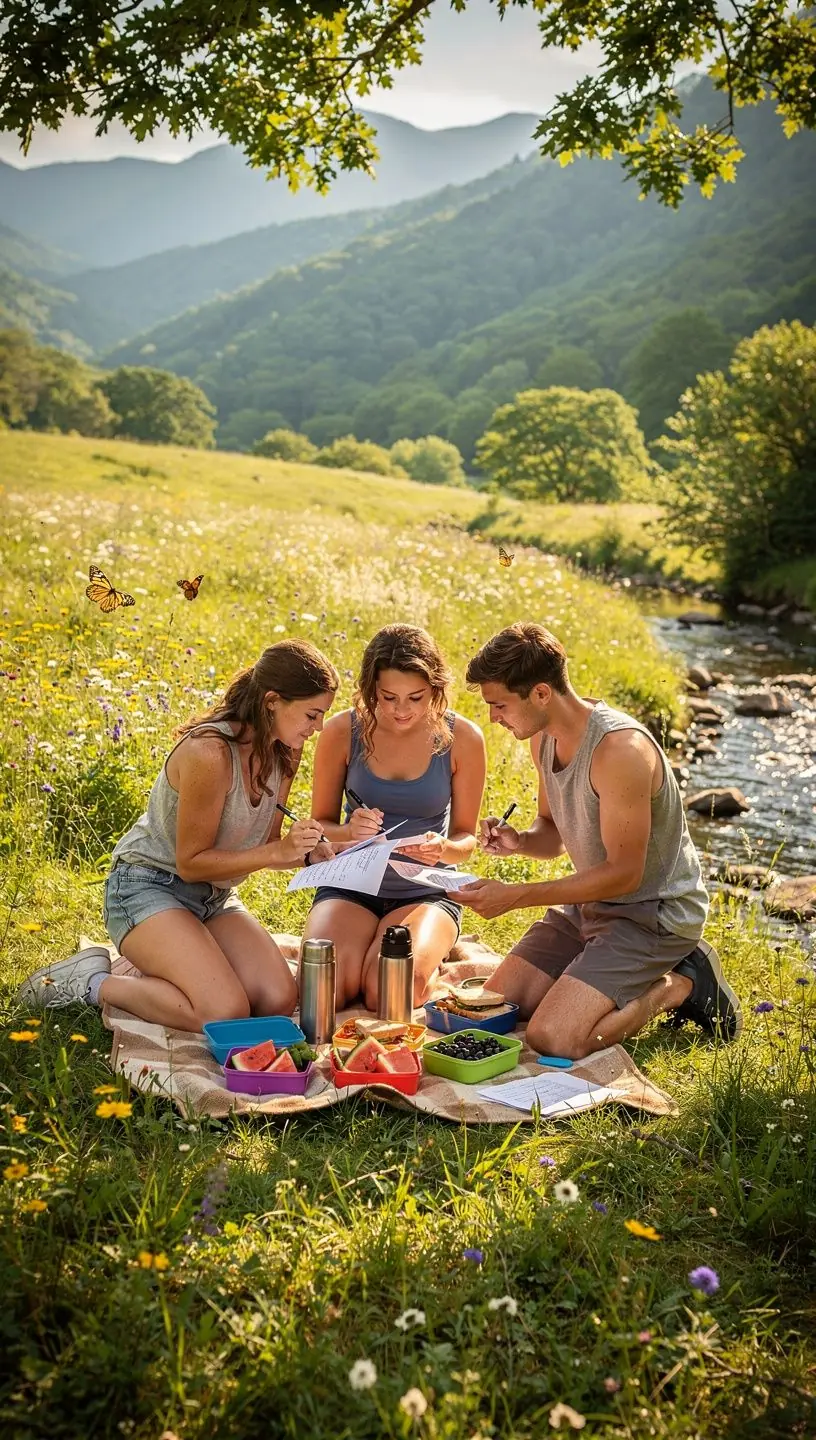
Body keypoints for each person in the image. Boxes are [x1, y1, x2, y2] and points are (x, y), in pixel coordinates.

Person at [18, 641, 339, 1031]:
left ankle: (182, 965)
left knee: (277, 998)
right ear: (273, 701)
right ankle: (92, 982)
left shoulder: (284, 751)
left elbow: (265, 846)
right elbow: (191, 863)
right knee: (222, 1012)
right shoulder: (210, 752)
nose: (319, 727)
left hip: (213, 897)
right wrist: (278, 851)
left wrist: (308, 854)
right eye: (313, 714)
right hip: (146, 888)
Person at [459, 622, 742, 1060]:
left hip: (653, 914)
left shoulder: (619, 751)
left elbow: (625, 875)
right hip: (591, 906)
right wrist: (519, 841)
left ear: (540, 694)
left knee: (555, 1037)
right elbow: (551, 835)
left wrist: (516, 897)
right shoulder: (543, 740)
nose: (493, 718)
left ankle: (679, 984)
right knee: (496, 1007)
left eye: (498, 705)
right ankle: (592, 981)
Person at [304, 623, 486, 1008]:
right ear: (371, 690)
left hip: (426, 892)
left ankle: (428, 970)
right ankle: (374, 945)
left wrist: (443, 849)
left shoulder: (463, 738)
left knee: (390, 990)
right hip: (350, 886)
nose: (402, 710)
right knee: (323, 991)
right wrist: (348, 831)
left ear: (436, 690)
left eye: (416, 698)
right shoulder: (342, 731)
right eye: (388, 697)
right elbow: (320, 825)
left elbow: (466, 839)